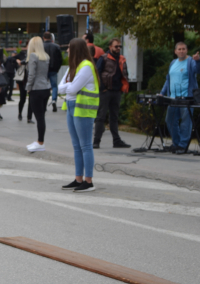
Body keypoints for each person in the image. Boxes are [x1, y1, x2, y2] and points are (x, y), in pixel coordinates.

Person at [58, 38, 100, 193]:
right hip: (71, 106)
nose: (67, 51)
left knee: (85, 145)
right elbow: (60, 87)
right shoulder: (73, 67)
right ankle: (78, 179)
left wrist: (68, 86)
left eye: (69, 48)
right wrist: (68, 87)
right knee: (77, 146)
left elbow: (71, 89)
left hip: (82, 108)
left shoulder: (86, 66)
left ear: (75, 50)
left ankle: (88, 181)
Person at [160, 42, 200, 154]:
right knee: (170, 120)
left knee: (186, 122)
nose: (181, 51)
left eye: (183, 49)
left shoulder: (191, 61)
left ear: (186, 50)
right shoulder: (173, 63)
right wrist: (162, 93)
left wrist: (197, 61)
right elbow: (168, 79)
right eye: (179, 49)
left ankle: (183, 145)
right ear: (175, 51)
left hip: (186, 97)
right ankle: (176, 143)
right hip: (173, 98)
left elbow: (198, 70)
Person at [93, 38, 132, 149]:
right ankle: (96, 141)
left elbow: (124, 73)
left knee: (114, 117)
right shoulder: (104, 58)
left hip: (116, 91)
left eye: (120, 46)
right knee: (101, 116)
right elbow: (97, 73)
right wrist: (102, 88)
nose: (118, 48)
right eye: (116, 46)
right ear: (110, 47)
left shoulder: (121, 59)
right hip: (106, 91)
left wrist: (123, 87)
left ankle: (116, 141)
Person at [25, 37, 52, 152]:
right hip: (45, 88)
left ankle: (40, 143)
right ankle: (40, 141)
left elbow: (31, 74)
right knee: (41, 117)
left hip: (36, 89)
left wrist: (28, 87)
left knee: (39, 117)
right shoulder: (46, 56)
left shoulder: (33, 56)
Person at [43, 32, 62, 112]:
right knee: (54, 86)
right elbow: (60, 59)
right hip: (54, 69)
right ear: (51, 38)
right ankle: (54, 100)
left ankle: (44, 103)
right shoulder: (56, 46)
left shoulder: (41, 46)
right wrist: (57, 68)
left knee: (44, 86)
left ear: (43, 38)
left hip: (44, 69)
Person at [14, 50, 33, 124]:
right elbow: (11, 59)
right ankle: (20, 113)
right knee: (22, 98)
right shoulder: (23, 53)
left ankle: (29, 117)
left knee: (31, 99)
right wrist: (17, 60)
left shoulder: (34, 54)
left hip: (31, 80)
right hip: (23, 80)